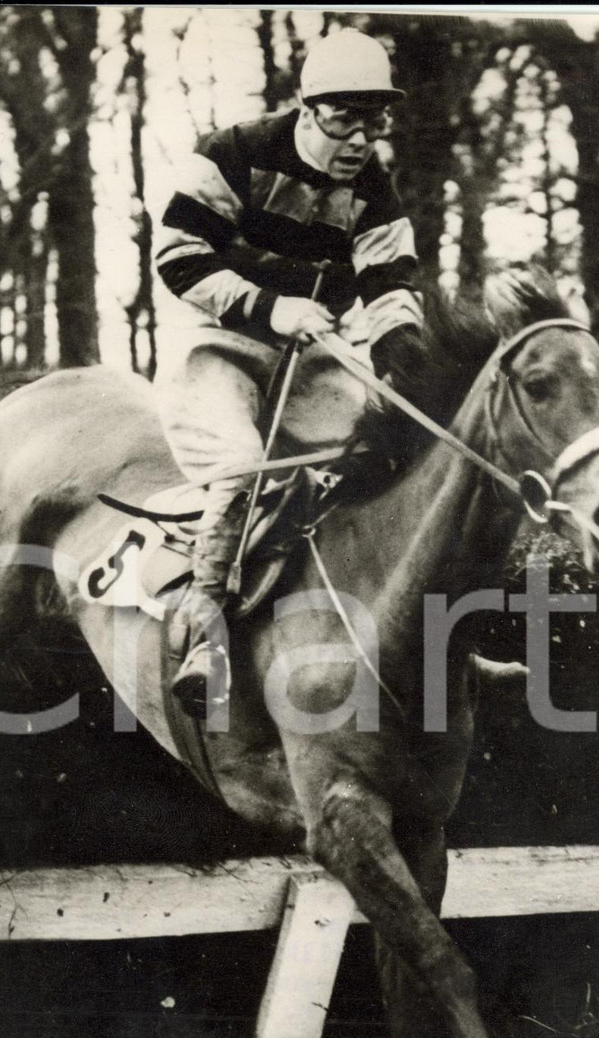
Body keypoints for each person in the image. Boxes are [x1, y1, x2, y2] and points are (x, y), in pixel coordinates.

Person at [154, 27, 423, 717]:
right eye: (344, 120)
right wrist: (270, 308)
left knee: (383, 454)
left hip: (311, 355)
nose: (359, 140)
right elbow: (179, 257)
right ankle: (204, 629)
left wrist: (403, 365)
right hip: (218, 345)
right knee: (244, 466)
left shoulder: (373, 189)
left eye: (374, 122)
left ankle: (420, 640)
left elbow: (390, 287)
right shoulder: (233, 152)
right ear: (307, 110)